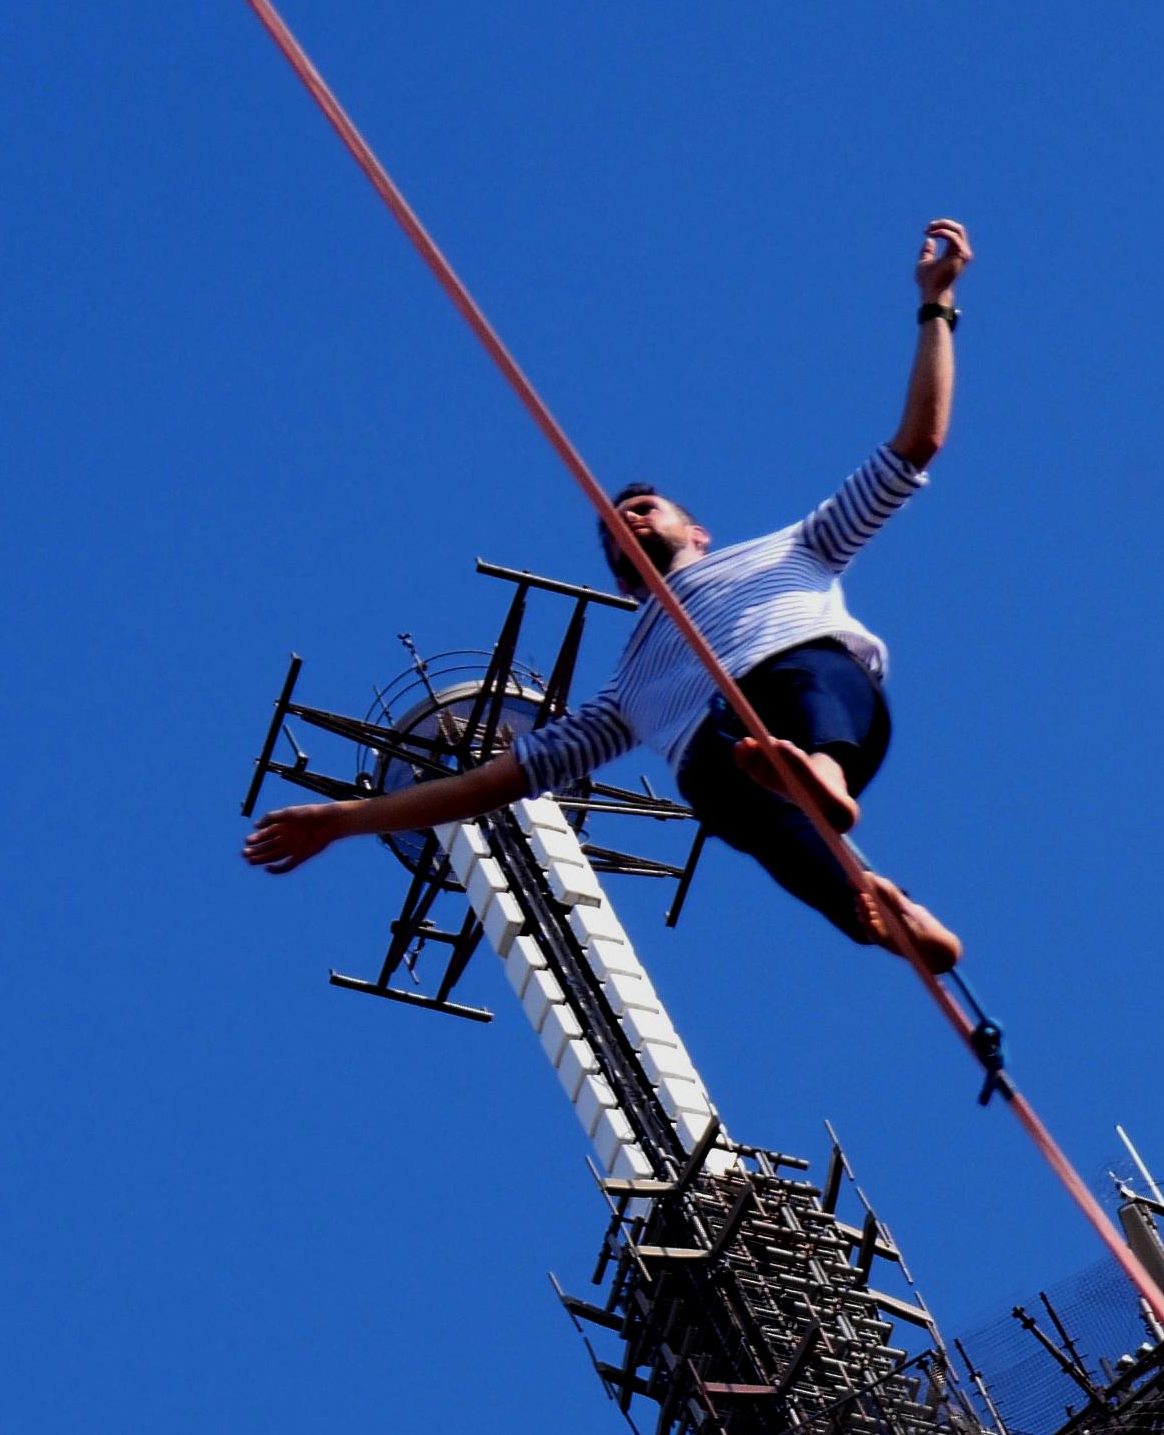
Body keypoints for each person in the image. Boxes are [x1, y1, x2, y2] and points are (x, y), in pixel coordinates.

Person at [246, 222, 972, 972]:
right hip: (734, 767)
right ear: (623, 583)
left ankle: (823, 774)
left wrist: (936, 306)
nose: (628, 518)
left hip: (821, 701)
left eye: (645, 508)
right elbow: (490, 782)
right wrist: (345, 819)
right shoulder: (627, 693)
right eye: (615, 529)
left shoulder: (797, 547)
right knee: (743, 812)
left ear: (700, 533)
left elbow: (913, 445)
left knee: (796, 678)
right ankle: (889, 918)